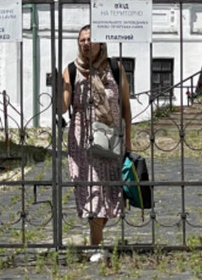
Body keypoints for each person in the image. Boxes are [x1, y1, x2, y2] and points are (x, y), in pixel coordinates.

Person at [61, 25, 132, 262]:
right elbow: (63, 107)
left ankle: (95, 241)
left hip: (110, 137)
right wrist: (61, 90)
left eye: (90, 39)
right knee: (92, 190)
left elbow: (125, 109)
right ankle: (96, 247)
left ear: (100, 43)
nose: (85, 43)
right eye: (81, 39)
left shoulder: (114, 69)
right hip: (82, 140)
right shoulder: (71, 70)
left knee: (109, 191)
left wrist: (128, 143)